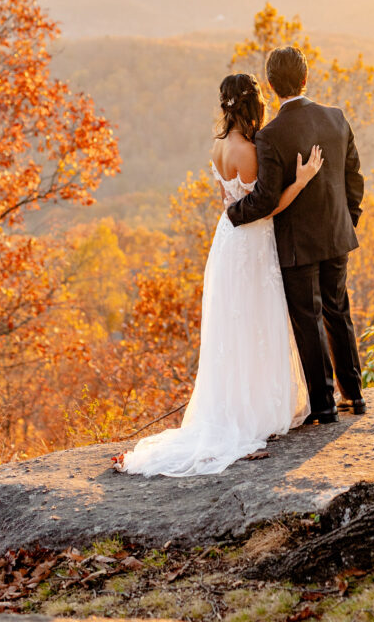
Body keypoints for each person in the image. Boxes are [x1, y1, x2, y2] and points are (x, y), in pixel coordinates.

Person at [114, 72, 319, 477]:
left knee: (235, 324)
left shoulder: (218, 147)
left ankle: (237, 403)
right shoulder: (250, 151)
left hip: (226, 241)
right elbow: (265, 207)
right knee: (259, 318)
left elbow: (227, 201)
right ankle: (259, 408)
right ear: (252, 106)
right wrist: (302, 180)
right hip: (251, 239)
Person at [227, 46, 365, 424]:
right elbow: (354, 177)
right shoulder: (336, 118)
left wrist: (232, 212)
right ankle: (353, 395)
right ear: (306, 78)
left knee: (309, 319)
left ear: (271, 86)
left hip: (296, 245)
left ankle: (323, 405)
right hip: (337, 235)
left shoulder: (270, 136)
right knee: (339, 313)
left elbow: (265, 198)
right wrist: (348, 220)